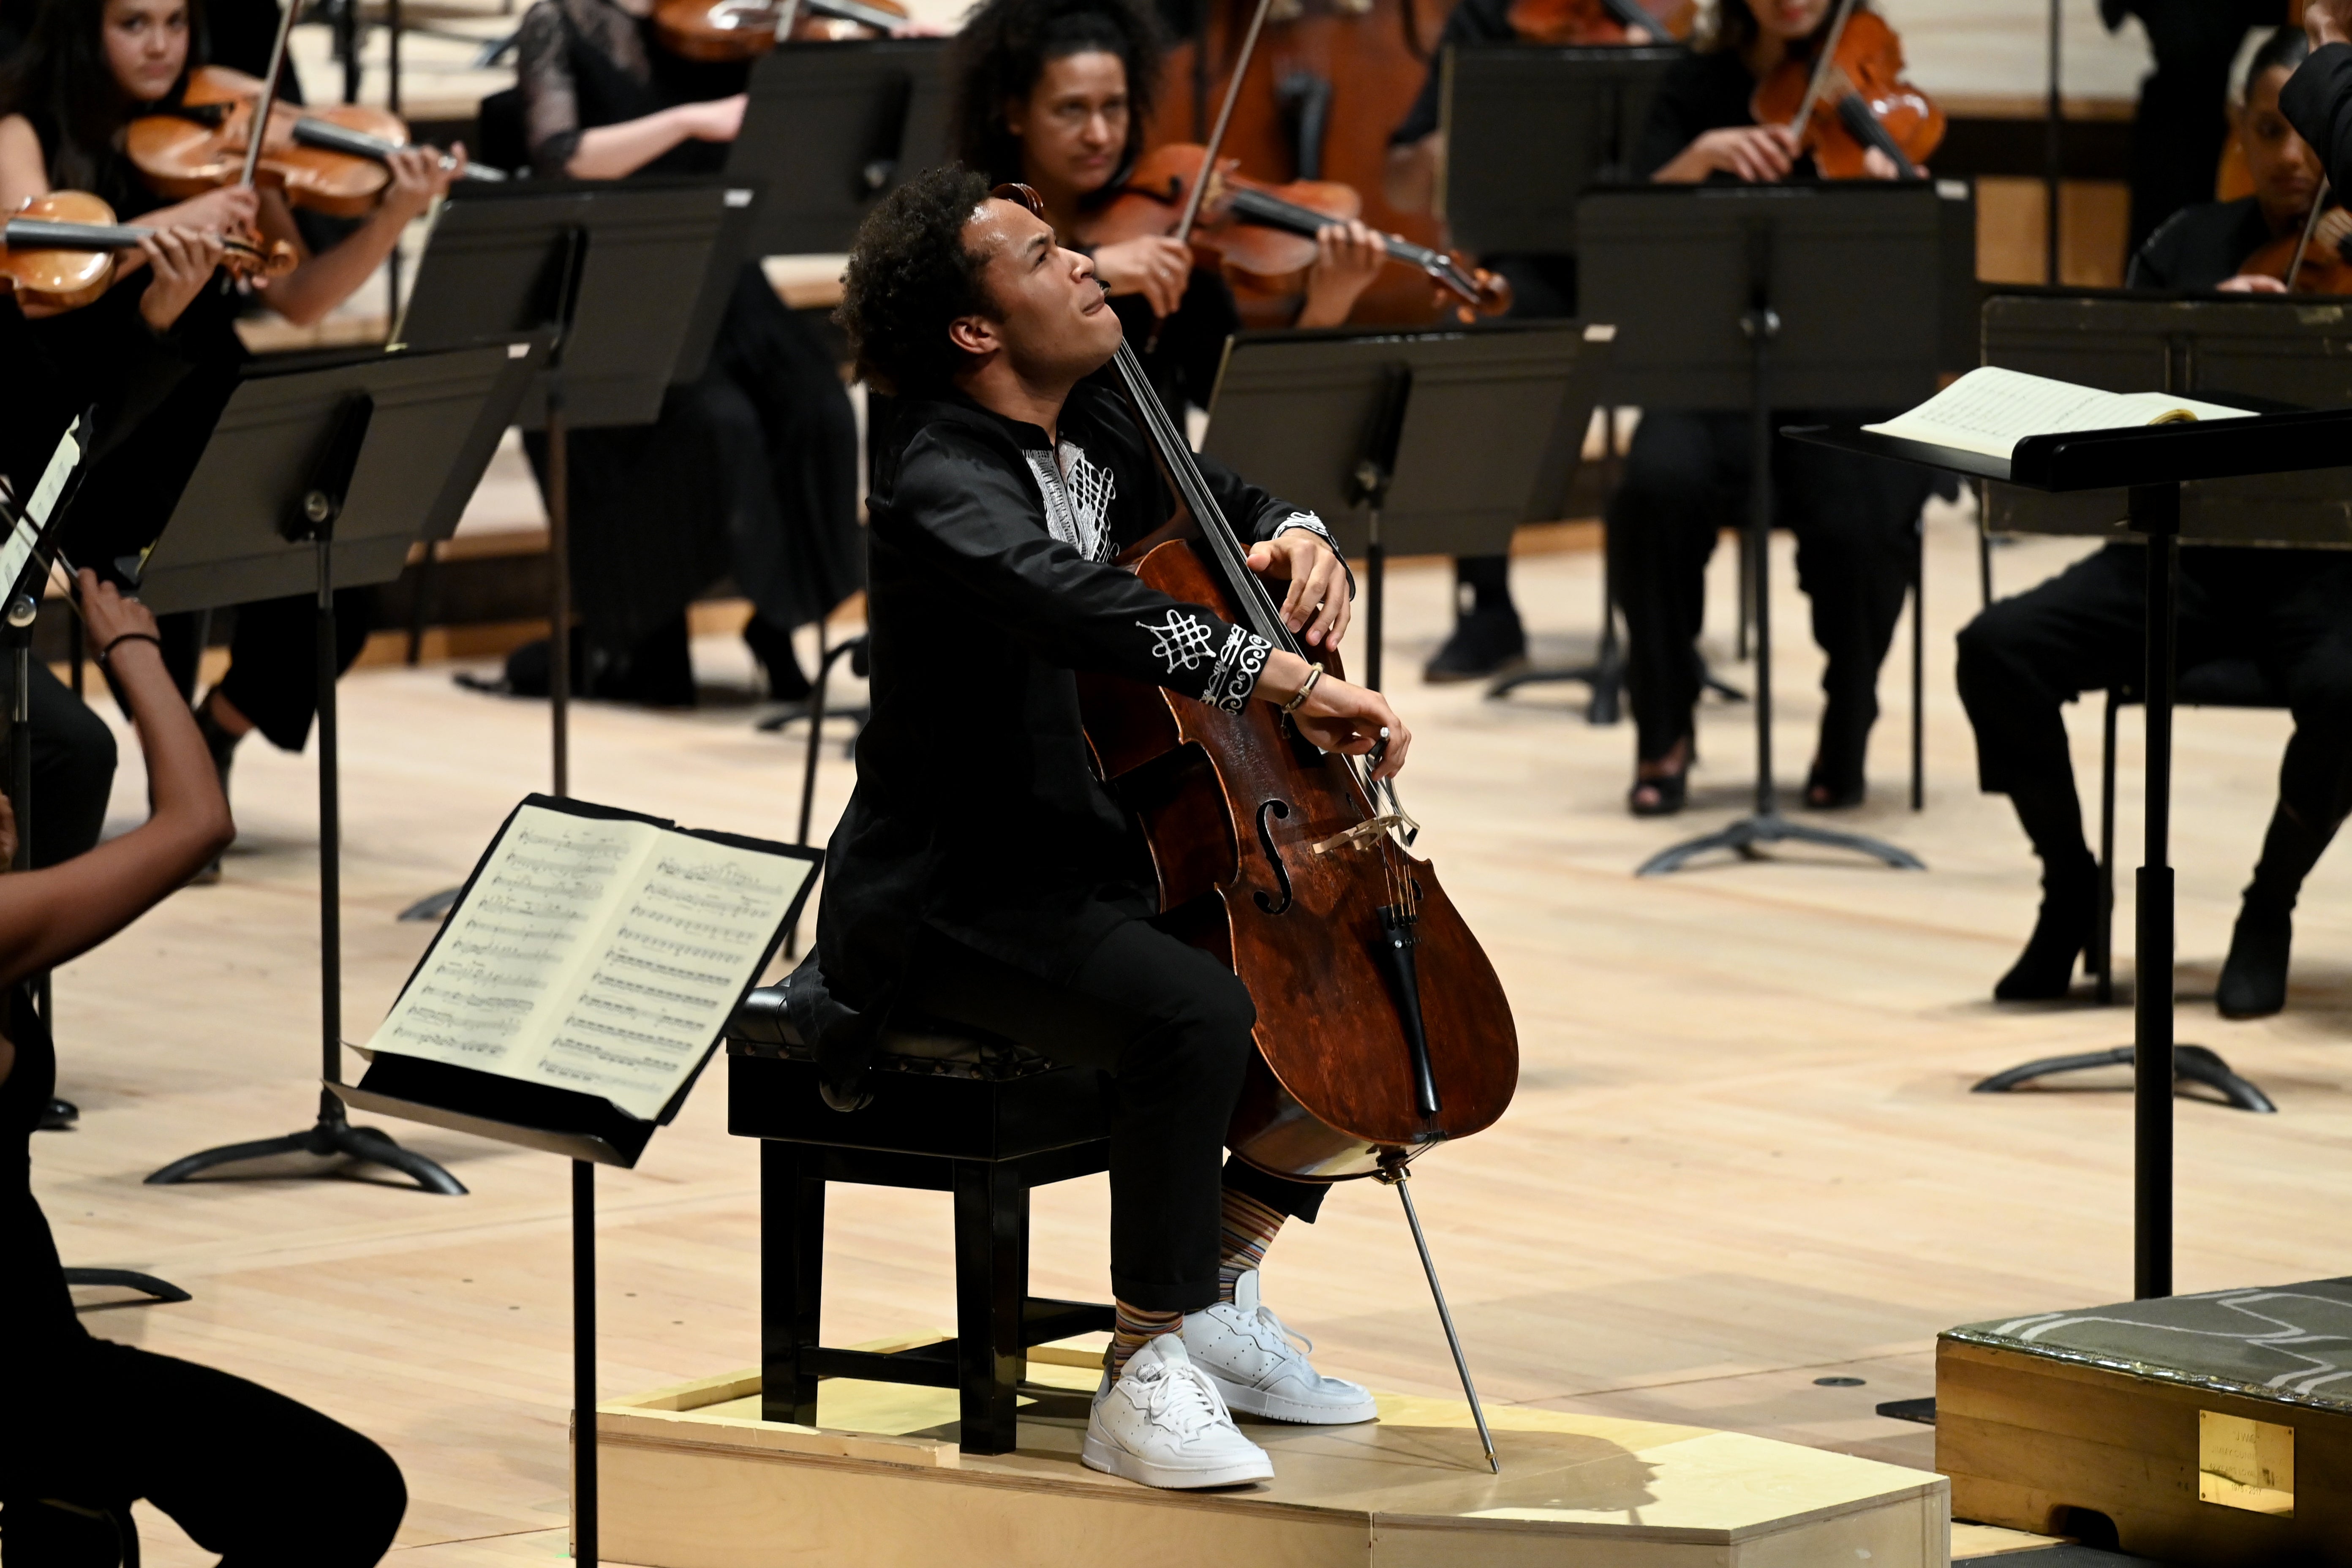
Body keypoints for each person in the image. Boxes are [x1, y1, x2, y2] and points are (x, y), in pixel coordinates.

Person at [817, 164, 1407, 1489]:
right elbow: (1071, 599)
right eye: (1041, 257)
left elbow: (1226, 502)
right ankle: (1142, 1369)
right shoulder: (933, 469)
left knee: (1355, 976)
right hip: (950, 891)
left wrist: (1306, 537)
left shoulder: (1100, 416)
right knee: (1191, 1014)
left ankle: (1217, 1283)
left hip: (1101, 852)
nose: (1086, 264)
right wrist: (1283, 676)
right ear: (975, 331)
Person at [0, 570, 406, 1564]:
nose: (12, 815)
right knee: (348, 1492)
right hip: (33, 1380)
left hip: (34, 1358)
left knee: (80, 1519)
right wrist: (131, 648)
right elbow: (196, 822)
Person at [0, 0, 463, 861]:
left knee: (342, 540)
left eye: (176, 23)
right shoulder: (27, 128)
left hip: (208, 383)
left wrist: (393, 216)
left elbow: (300, 296)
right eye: (133, 24)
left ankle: (218, 728)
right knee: (155, 542)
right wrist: (164, 238)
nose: (161, 46)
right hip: (95, 410)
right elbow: (35, 272)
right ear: (81, 30)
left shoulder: (220, 130)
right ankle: (180, 795)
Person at [1959, 26, 2352, 1015]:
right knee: (1995, 649)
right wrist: (2201, 335)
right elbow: (2101, 411)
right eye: (2269, 130)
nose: (2292, 156)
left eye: (2308, 131)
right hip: (2179, 559)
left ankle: (2268, 904)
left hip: (2321, 570)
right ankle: (2070, 886)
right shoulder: (2185, 246)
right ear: (2238, 132)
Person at [1606, 0, 1935, 816]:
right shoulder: (1695, 85)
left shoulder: (1869, 89)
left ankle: (1848, 714)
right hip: (1715, 373)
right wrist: (1696, 159)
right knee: (1653, 484)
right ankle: (1663, 725)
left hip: (1843, 376)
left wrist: (1895, 206)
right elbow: (1627, 227)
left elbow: (1917, 277)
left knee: (1864, 510)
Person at [505, 0, 864, 706]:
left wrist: (864, 45)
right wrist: (687, 122)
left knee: (820, 409)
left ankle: (777, 620)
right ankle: (636, 629)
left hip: (728, 277)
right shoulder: (559, 22)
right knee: (718, 425)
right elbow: (558, 156)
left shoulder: (721, 20)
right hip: (626, 284)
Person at [1383, 0, 1658, 683]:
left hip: (1643, 267)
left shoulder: (1639, 33)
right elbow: (1399, 177)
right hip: (1529, 270)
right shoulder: (1485, 21)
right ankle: (1488, 610)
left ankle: (1660, 626)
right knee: (1464, 353)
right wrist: (1452, 146)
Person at [950, 0, 1384, 426]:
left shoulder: (1170, 229)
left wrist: (1326, 308)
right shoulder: (972, 229)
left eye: (1114, 107)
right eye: (1072, 110)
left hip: (1152, 492)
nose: (1099, 135)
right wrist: (1096, 266)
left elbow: (1240, 406)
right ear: (1015, 113)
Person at [2099, 0, 2286, 258]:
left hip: (2215, 120)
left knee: (2212, 243)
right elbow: (2112, 16)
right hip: (2164, 122)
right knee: (2158, 240)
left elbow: (2280, 14)